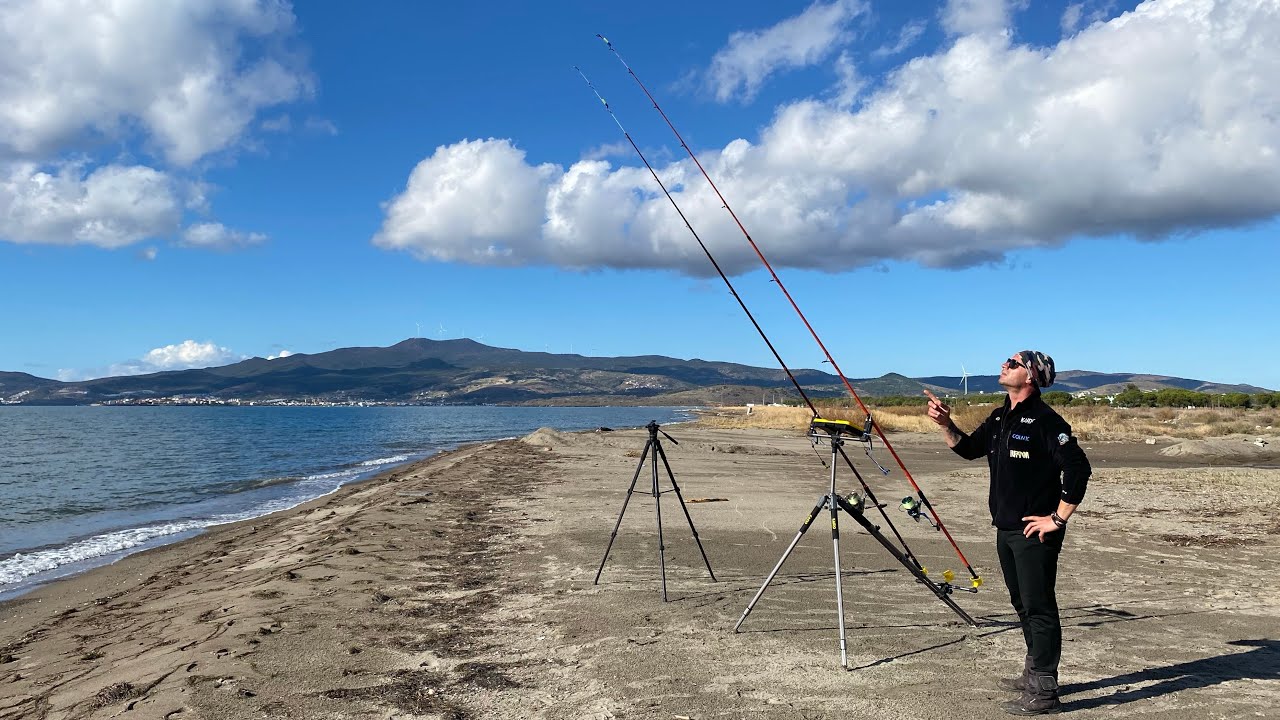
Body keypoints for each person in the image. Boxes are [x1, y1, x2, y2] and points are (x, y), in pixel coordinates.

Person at [923, 351, 1091, 716]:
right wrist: (945, 424)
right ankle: (1034, 671)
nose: (1004, 365)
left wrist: (1057, 519)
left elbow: (1078, 469)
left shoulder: (1047, 421)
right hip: (1005, 528)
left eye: (1013, 363)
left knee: (1039, 606)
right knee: (1021, 604)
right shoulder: (1001, 417)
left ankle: (1045, 690)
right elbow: (968, 449)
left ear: (1030, 376)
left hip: (1035, 532)